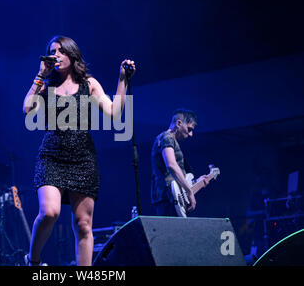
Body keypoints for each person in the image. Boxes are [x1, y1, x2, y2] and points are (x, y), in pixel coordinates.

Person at [23, 35, 135, 266]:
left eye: (60, 51)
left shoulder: (89, 84)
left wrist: (122, 79)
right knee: (49, 212)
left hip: (82, 158)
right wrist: (40, 75)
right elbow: (27, 109)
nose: (56, 55)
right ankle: (32, 261)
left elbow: (114, 112)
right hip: (52, 155)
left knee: (83, 224)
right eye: (52, 51)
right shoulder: (46, 84)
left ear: (72, 54)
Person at [151, 109, 209, 216]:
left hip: (170, 196)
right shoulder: (167, 137)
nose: (191, 134)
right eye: (189, 129)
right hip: (167, 196)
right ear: (179, 123)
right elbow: (171, 165)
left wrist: (197, 183)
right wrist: (189, 191)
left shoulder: (169, 139)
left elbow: (177, 176)